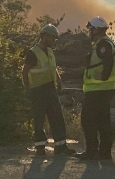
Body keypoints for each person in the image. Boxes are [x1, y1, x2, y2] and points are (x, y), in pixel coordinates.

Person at [21, 24, 76, 157]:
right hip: (37, 90)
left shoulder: (50, 51)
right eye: (51, 38)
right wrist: (27, 88)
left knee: (57, 117)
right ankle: (40, 148)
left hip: (50, 88)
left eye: (54, 39)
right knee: (39, 119)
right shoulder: (33, 52)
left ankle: (61, 146)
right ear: (43, 36)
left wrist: (59, 81)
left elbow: (53, 68)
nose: (53, 41)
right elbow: (24, 71)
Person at [77, 16, 115, 161]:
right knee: (102, 121)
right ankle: (103, 153)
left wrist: (104, 77)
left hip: (99, 90)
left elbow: (107, 64)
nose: (89, 32)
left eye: (91, 29)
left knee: (88, 121)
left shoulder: (104, 45)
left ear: (97, 30)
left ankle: (93, 151)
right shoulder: (102, 44)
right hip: (100, 90)